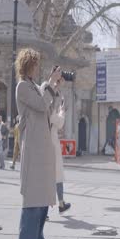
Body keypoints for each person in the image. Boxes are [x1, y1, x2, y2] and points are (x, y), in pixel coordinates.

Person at [15, 48, 59, 239]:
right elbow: (41, 104)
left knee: (43, 198)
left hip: (42, 148)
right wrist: (49, 83)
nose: (37, 67)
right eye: (34, 64)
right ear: (27, 66)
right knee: (33, 198)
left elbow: (48, 108)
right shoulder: (22, 86)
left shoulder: (33, 86)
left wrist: (54, 86)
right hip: (33, 148)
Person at [46, 66, 71, 219]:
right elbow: (59, 122)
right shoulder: (49, 109)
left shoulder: (48, 101)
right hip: (50, 142)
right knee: (55, 175)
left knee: (54, 175)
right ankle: (49, 208)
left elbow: (52, 93)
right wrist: (62, 110)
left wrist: (57, 85)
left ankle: (60, 204)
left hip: (50, 140)